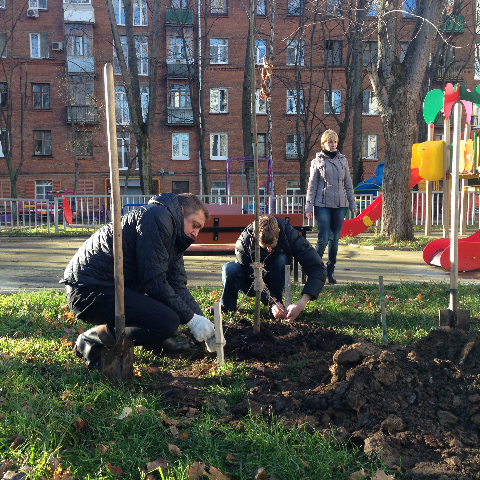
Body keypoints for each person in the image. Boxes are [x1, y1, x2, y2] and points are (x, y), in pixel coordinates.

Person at [62, 192, 216, 369]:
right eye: (194, 225)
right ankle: (92, 339)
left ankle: (156, 340)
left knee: (170, 308)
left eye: (199, 229)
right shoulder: (157, 218)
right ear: (180, 212)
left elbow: (177, 285)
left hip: (109, 288)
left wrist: (203, 322)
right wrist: (191, 320)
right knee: (167, 321)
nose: (196, 234)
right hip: (88, 290)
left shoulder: (174, 234)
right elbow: (154, 281)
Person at [218, 214, 327, 322]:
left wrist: (302, 303)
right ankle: (227, 305)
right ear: (255, 236)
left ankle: (277, 306)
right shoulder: (244, 243)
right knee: (230, 268)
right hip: (249, 281)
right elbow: (252, 278)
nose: (269, 250)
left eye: (272, 245)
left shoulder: (289, 235)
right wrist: (271, 300)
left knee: (281, 259)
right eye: (265, 247)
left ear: (278, 232)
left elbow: (318, 268)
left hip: (274, 277)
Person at [305, 129, 358, 285]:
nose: (333, 144)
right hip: (322, 205)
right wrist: (308, 207)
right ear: (324, 144)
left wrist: (352, 204)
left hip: (341, 205)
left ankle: (330, 272)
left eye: (335, 142)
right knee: (323, 239)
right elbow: (312, 186)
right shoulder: (317, 161)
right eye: (330, 142)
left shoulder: (343, 160)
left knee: (335, 239)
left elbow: (348, 184)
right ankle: (313, 270)